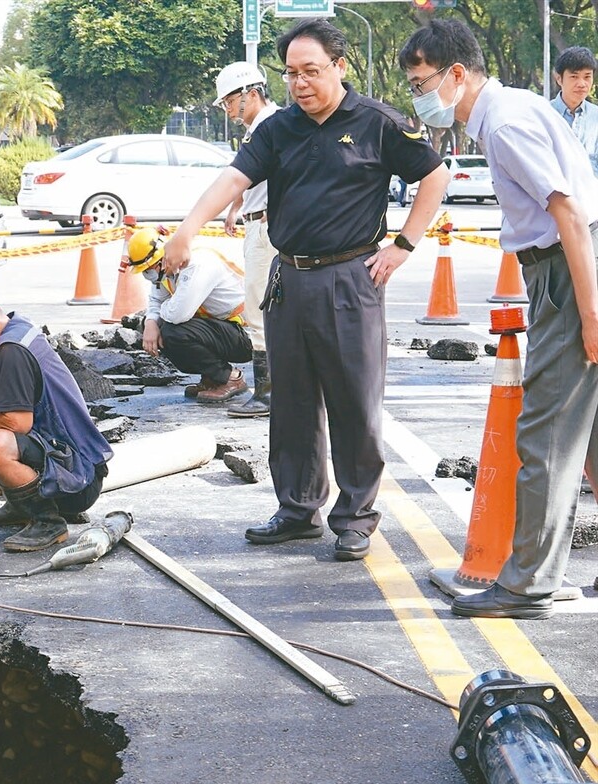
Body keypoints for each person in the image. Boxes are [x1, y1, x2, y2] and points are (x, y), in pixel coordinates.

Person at [161, 18, 446, 562]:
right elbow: (233, 179)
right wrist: (186, 228)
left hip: (350, 279)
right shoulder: (278, 128)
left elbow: (434, 176)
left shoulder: (377, 123)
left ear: (340, 67)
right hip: (289, 278)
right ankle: (296, 510)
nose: (300, 83)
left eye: (311, 71)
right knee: (290, 402)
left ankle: (356, 517)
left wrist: (403, 245)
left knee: (354, 403)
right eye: (291, 74)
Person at [399, 21, 598, 619]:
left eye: (420, 82)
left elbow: (567, 214)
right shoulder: (513, 109)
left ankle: (529, 583)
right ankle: (540, 574)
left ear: (457, 75)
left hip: (570, 271)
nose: (417, 95)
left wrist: (589, 316)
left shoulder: (506, 124)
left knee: (545, 431)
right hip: (564, 268)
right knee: (587, 440)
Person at [0, 264, 113, 552]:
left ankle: (47, 522)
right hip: (70, 465)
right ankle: (22, 505)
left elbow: (17, 423)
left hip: (78, 480)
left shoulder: (11, 351)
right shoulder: (11, 334)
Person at [214, 61, 281, 417]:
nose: (228, 110)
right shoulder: (260, 128)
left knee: (258, 309)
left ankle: (268, 395)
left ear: (250, 94)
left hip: (267, 230)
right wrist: (236, 207)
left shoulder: (269, 126)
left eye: (228, 101)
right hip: (258, 222)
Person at [127, 227, 252, 404]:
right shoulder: (167, 270)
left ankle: (230, 378)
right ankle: (212, 378)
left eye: (149, 269)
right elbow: (156, 301)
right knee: (156, 326)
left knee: (173, 331)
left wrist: (158, 316)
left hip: (248, 336)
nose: (149, 276)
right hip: (223, 329)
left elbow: (178, 314)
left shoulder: (198, 264)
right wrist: (150, 323)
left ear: (162, 258)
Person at [551, 46, 598, 177]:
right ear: (559, 79)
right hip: (553, 195)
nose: (582, 84)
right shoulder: (544, 115)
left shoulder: (596, 116)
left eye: (587, 77)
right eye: (574, 76)